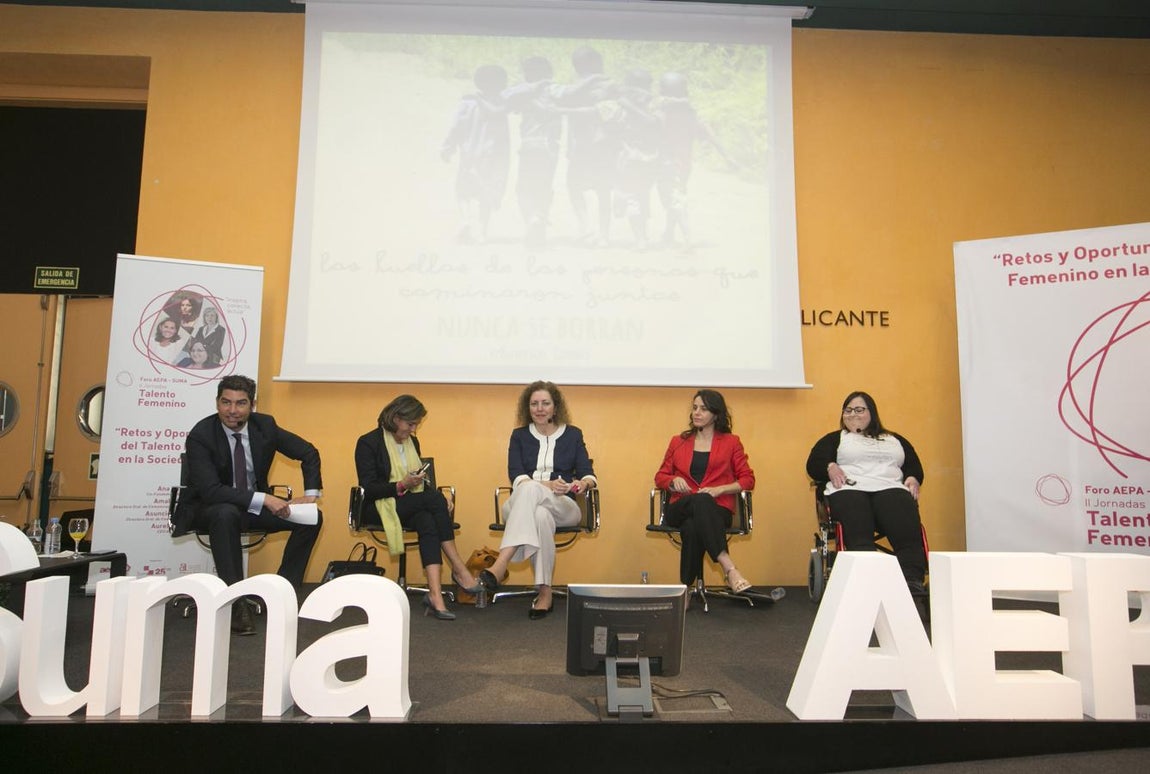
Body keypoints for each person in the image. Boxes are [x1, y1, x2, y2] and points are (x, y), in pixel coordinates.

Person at [173, 375, 323, 635]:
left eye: (240, 403)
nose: (232, 410)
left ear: (252, 405)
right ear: (217, 402)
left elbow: (308, 452)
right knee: (225, 513)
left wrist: (310, 494)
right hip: (209, 508)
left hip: (251, 509)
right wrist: (265, 498)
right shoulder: (201, 434)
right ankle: (235, 602)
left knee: (313, 517)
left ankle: (281, 591)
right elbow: (210, 491)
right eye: (226, 402)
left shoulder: (264, 426)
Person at [353, 395, 482, 621]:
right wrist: (402, 485)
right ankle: (459, 568)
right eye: (410, 424)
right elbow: (370, 488)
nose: (413, 430)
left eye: (416, 425)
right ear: (395, 417)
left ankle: (435, 596)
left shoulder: (412, 442)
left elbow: (420, 483)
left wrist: (429, 492)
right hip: (377, 506)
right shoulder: (368, 442)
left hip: (408, 504)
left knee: (427, 519)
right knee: (434, 501)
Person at [477, 381, 596, 619]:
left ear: (555, 407)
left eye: (545, 403)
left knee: (535, 495)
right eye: (534, 404)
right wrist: (545, 485)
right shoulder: (519, 436)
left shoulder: (573, 434)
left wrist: (582, 484)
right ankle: (544, 592)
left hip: (563, 506)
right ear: (527, 407)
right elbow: (517, 478)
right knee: (537, 509)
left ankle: (501, 565)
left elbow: (588, 475)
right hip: (522, 504)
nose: (539, 409)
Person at [805, 390, 927, 593]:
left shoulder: (894, 439)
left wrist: (913, 478)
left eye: (859, 409)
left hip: (889, 488)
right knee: (855, 509)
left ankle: (911, 578)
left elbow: (913, 464)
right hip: (850, 488)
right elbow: (813, 464)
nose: (852, 414)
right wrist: (830, 466)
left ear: (872, 412)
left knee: (901, 507)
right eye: (848, 410)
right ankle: (867, 577)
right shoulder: (835, 439)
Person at [654, 389, 756, 592]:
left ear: (716, 414)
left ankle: (685, 590)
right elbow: (660, 477)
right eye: (694, 408)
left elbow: (748, 479)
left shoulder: (731, 442)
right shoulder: (678, 441)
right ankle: (729, 568)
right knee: (699, 500)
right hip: (680, 507)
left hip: (717, 510)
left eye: (703, 409)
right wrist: (674, 480)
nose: (696, 413)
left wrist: (720, 490)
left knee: (692, 527)